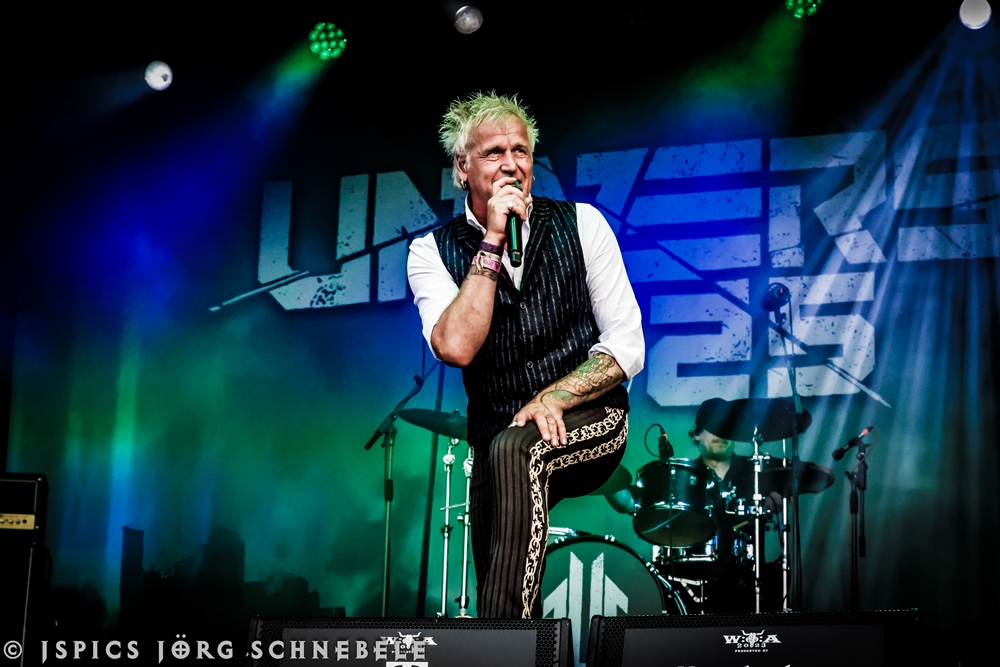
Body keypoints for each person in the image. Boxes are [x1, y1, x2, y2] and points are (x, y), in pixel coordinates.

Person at [407, 92, 644, 619]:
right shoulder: (431, 251)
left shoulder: (582, 224)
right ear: (462, 168)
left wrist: (553, 398)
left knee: (520, 448)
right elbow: (456, 347)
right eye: (494, 152)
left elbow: (626, 344)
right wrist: (493, 241)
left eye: (521, 151)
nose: (511, 164)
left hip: (592, 418)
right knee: (496, 566)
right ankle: (520, 642)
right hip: (495, 436)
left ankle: (502, 650)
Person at [688, 397, 781, 612]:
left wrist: (782, 491)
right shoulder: (682, 477)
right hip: (692, 582)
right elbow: (630, 502)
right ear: (697, 433)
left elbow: (819, 476)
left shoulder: (757, 469)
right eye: (714, 427)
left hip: (748, 583)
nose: (721, 434)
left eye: (728, 428)